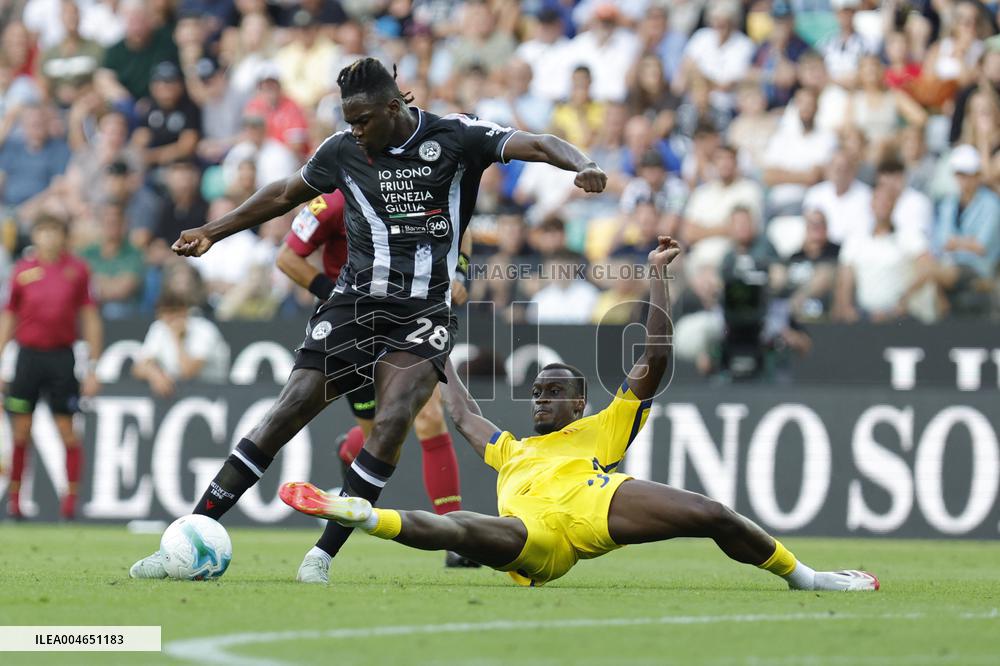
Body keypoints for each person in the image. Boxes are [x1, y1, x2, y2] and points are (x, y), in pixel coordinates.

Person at [130, 57, 608, 583]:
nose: (354, 131)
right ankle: (188, 535)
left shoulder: (455, 136)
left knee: (395, 419)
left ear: (394, 106)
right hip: (354, 304)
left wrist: (580, 162)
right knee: (286, 411)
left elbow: (537, 142)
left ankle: (322, 555)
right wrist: (213, 231)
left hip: (423, 312)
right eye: (348, 120)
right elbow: (285, 194)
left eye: (362, 120)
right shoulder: (341, 150)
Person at [280, 236, 878, 592]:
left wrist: (657, 278)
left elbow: (654, 358)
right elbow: (460, 413)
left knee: (711, 512)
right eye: (537, 391)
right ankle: (362, 513)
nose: (540, 397)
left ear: (580, 402)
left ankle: (808, 578)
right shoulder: (513, 449)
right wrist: (437, 348)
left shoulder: (607, 425)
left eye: (553, 391)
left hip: (598, 504)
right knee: (463, 526)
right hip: (542, 539)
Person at [275, 190, 479, 569]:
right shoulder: (331, 201)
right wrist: (336, 296)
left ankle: (454, 537)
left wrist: (461, 270)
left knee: (429, 417)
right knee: (379, 437)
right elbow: (287, 257)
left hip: (413, 317)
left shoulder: (418, 183)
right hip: (355, 324)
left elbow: (462, 223)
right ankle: (350, 450)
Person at [0, 215, 103, 520]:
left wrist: (93, 366)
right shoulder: (22, 271)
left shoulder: (78, 270)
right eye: (42, 230)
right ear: (35, 235)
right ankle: (15, 500)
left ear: (63, 236)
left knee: (67, 430)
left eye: (54, 230)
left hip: (61, 358)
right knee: (21, 430)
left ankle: (70, 502)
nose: (48, 237)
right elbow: (9, 316)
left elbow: (90, 317)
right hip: (28, 357)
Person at [132, 290, 230, 396]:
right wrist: (154, 375)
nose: (171, 317)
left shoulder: (204, 330)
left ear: (185, 311)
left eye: (175, 311)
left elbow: (188, 373)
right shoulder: (159, 328)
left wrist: (177, 339)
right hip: (177, 391)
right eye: (165, 313)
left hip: (211, 390)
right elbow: (138, 368)